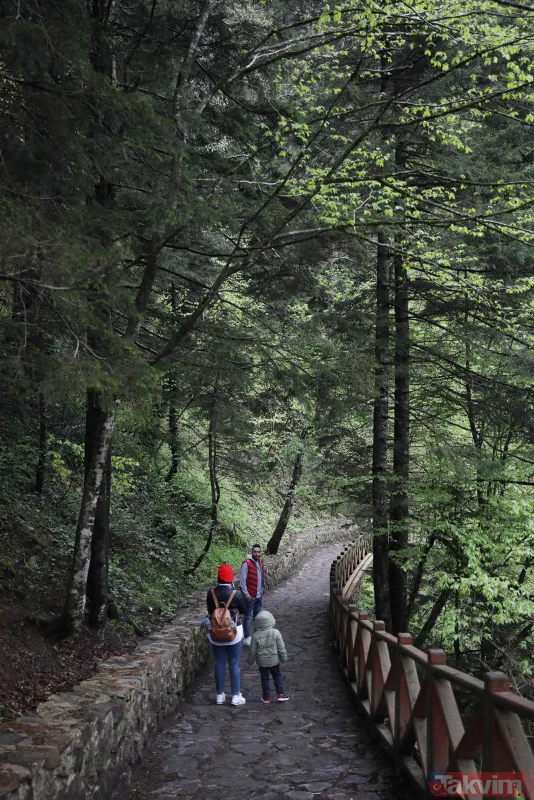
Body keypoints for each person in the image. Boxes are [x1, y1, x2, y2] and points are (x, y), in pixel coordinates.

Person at [206, 564, 246, 706]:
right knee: (234, 663)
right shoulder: (236, 594)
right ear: (231, 578)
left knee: (219, 663)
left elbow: (210, 610)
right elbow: (244, 610)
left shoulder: (211, 593)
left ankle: (219, 695)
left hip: (216, 633)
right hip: (233, 634)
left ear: (218, 577)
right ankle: (235, 695)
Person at [247, 609, 289, 703]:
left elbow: (252, 650)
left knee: (264, 678)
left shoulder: (255, 636)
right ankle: (280, 694)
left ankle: (266, 697)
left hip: (262, 662)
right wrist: (283, 658)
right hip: (274, 660)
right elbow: (281, 647)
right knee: (277, 675)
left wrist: (250, 661)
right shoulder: (276, 632)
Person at [239, 543, 265, 645]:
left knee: (257, 617)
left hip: (259, 595)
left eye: (258, 552)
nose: (257, 553)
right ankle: (247, 637)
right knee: (248, 617)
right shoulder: (246, 563)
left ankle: (256, 637)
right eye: (255, 552)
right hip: (251, 596)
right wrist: (246, 595)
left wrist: (262, 591)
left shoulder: (261, 562)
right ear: (251, 552)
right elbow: (242, 580)